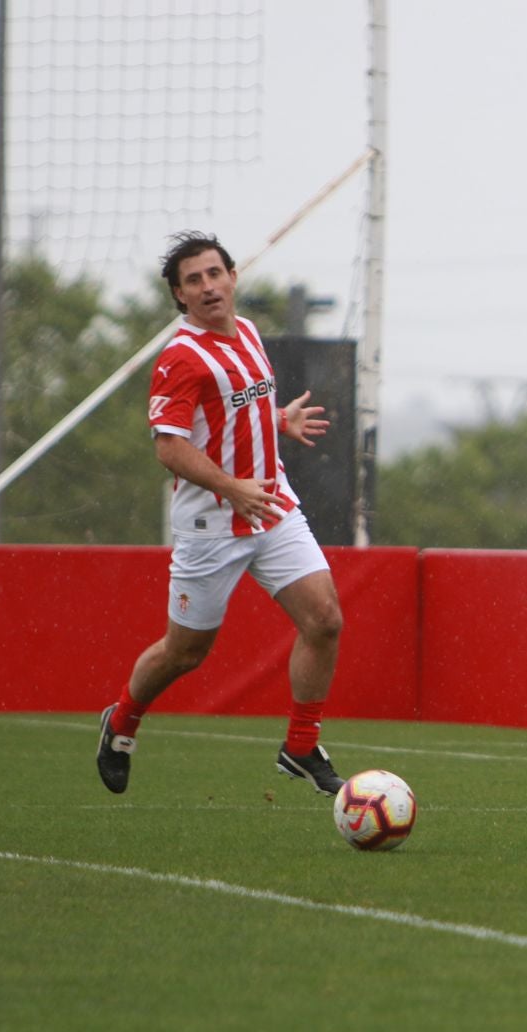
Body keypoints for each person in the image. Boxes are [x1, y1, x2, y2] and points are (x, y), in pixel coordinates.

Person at [94, 231, 346, 797]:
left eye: (215, 274)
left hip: (272, 506)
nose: (208, 287)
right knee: (185, 653)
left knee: (325, 619)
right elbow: (169, 445)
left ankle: (301, 745)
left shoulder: (249, 332)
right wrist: (231, 487)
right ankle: (123, 722)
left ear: (233, 277)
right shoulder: (181, 358)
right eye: (193, 281)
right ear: (179, 297)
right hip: (213, 523)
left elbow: (237, 410)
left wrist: (278, 420)